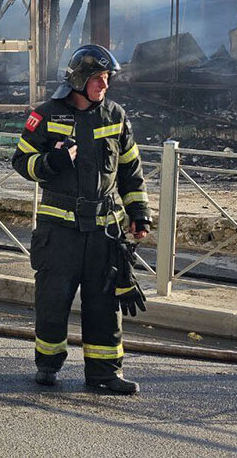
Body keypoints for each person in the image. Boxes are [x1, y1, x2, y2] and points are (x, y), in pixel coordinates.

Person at [11, 44, 150, 395]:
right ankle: (48, 364)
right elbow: (20, 162)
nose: (104, 86)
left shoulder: (115, 116)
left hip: (105, 232)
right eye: (98, 79)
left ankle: (104, 373)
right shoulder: (45, 115)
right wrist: (49, 163)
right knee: (53, 301)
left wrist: (139, 213)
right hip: (59, 233)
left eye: (107, 79)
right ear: (79, 80)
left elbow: (131, 172)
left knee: (105, 305)